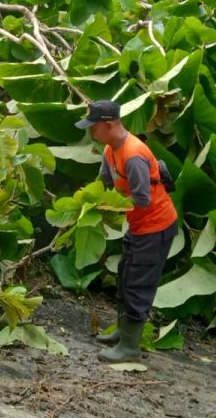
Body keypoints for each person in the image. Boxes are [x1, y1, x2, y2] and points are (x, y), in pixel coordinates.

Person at [76, 99, 178, 363]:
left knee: (138, 284)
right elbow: (103, 183)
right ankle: (124, 331)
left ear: (108, 125)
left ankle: (131, 347)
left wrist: (110, 207)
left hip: (156, 227)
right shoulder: (111, 150)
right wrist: (85, 205)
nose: (90, 134)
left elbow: (142, 199)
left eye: (93, 128)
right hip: (139, 225)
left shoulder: (133, 155)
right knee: (125, 276)